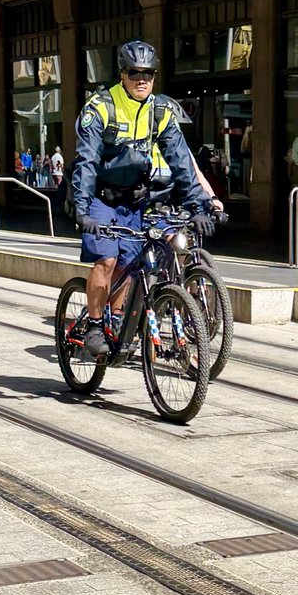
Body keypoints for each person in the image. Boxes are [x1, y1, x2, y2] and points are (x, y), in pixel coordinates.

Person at [71, 40, 212, 359]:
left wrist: (199, 204)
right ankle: (94, 326)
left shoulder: (160, 110)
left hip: (135, 201)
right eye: (134, 73)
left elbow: (181, 162)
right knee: (106, 260)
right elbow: (86, 162)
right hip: (101, 199)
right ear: (122, 74)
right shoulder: (101, 107)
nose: (141, 79)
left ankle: (117, 320)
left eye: (148, 73)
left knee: (129, 266)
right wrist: (81, 208)